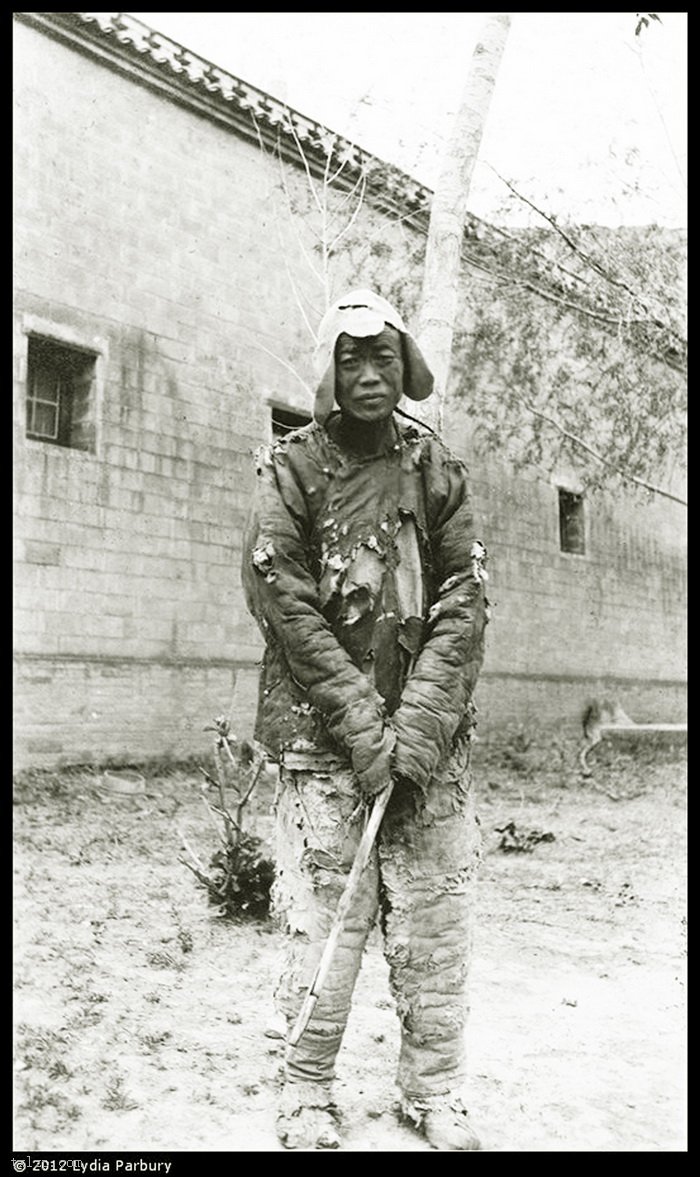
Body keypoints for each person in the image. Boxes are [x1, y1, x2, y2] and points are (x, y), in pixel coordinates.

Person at [241, 289, 489, 1150]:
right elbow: (284, 601)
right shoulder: (290, 469)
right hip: (324, 745)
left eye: (386, 357)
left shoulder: (435, 467)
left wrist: (416, 728)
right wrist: (359, 722)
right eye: (354, 360)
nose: (372, 374)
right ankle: (306, 1089)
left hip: (427, 749)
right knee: (325, 920)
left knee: (436, 919)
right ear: (329, 372)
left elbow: (464, 596)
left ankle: (436, 1090)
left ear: (405, 365)